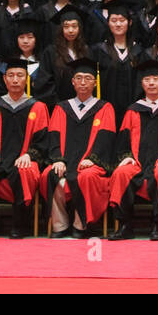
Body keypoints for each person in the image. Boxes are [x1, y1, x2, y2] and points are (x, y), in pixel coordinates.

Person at [0, 58, 51, 239]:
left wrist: (30, 155)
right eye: (11, 76)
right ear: (5, 80)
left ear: (27, 79)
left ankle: (20, 224)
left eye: (20, 76)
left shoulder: (37, 107)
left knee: (21, 172)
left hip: (24, 159)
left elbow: (43, 140)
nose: (15, 80)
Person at [108, 61, 158, 240]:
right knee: (121, 172)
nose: (151, 83)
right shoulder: (133, 110)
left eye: (156, 79)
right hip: (138, 163)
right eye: (147, 79)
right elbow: (123, 141)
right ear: (142, 84)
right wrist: (127, 157)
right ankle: (125, 225)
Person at [44, 59, 116, 238]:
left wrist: (92, 159)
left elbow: (105, 139)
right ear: (72, 82)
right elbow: (53, 136)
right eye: (79, 78)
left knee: (87, 177)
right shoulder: (62, 108)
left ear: (95, 82)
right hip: (65, 161)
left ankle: (80, 224)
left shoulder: (105, 108)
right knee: (50, 176)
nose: (83, 82)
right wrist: (58, 159)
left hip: (90, 162)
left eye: (88, 78)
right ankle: (60, 225)